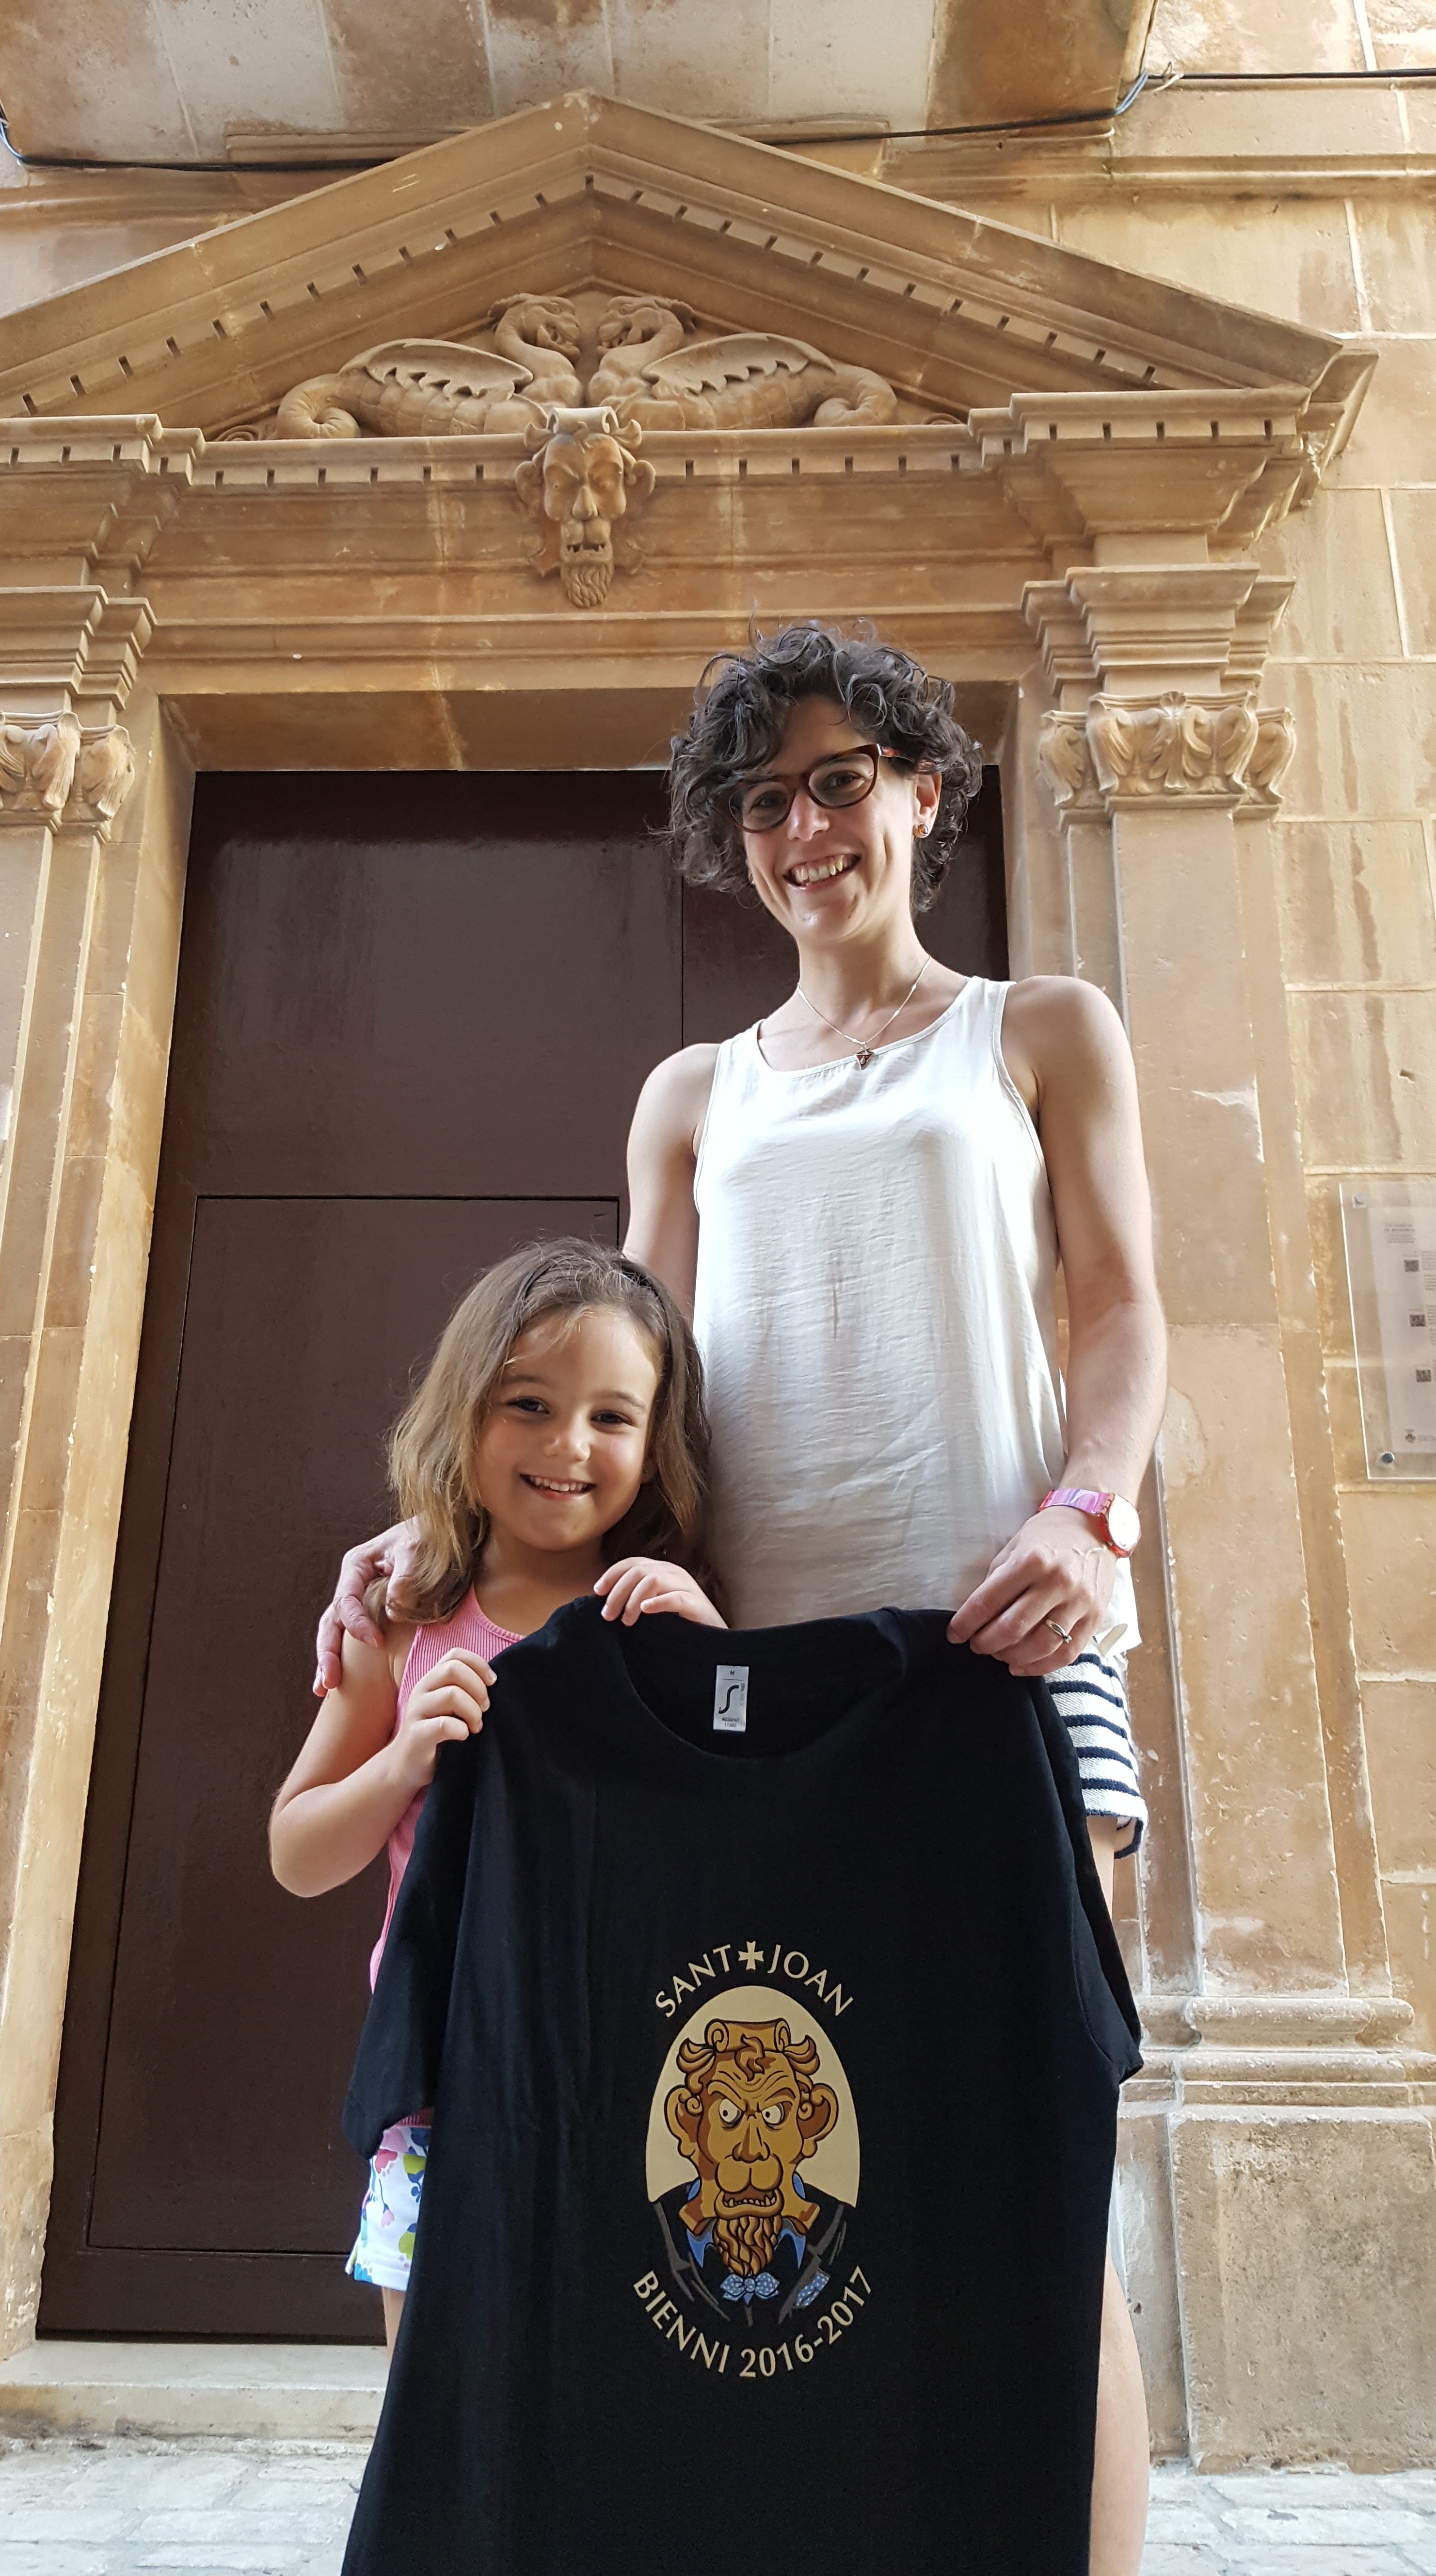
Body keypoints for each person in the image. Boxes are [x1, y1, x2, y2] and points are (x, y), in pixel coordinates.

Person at [314, 625, 1167, 2574]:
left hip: (1003, 1662)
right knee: (765, 2196)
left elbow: (1124, 1313)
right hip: (750, 1709)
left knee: (1031, 2181)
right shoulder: (693, 1094)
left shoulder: (1038, 1030)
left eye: (840, 780)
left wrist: (1086, 1512)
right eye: (765, 798)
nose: (806, 827)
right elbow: (621, 1377)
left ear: (921, 792)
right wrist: (435, 1531)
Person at [272, 1238, 724, 2352]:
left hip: (628, 2081)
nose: (568, 1445)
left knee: (603, 2384)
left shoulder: (660, 1622)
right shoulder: (405, 1619)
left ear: (656, 1442)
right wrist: (401, 1762)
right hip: (444, 2081)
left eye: (612, 1417)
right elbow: (297, 1854)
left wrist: (715, 1653)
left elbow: (736, 1839)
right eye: (530, 1404)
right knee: (433, 2388)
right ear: (465, 1408)